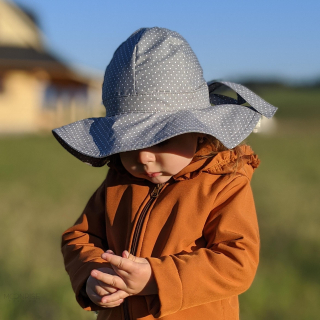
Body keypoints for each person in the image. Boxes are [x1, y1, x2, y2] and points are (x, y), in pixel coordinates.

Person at [53, 27, 277, 320]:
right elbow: (80, 237)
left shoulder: (223, 183)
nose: (144, 157)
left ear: (198, 132)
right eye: (130, 142)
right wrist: (93, 275)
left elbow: (236, 261)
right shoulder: (119, 182)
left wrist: (155, 279)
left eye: (162, 139)